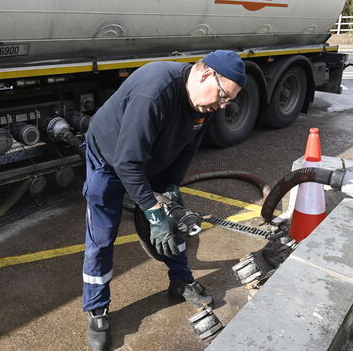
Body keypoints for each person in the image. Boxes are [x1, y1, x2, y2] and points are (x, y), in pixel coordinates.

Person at [81, 50, 246, 350]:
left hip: (152, 159)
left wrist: (169, 191)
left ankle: (181, 281)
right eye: (223, 96)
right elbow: (127, 164)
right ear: (205, 74)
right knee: (103, 235)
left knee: (174, 223)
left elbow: (186, 151)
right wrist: (153, 213)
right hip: (109, 158)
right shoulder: (155, 93)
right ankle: (96, 308)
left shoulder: (203, 105)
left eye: (228, 101)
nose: (223, 106)